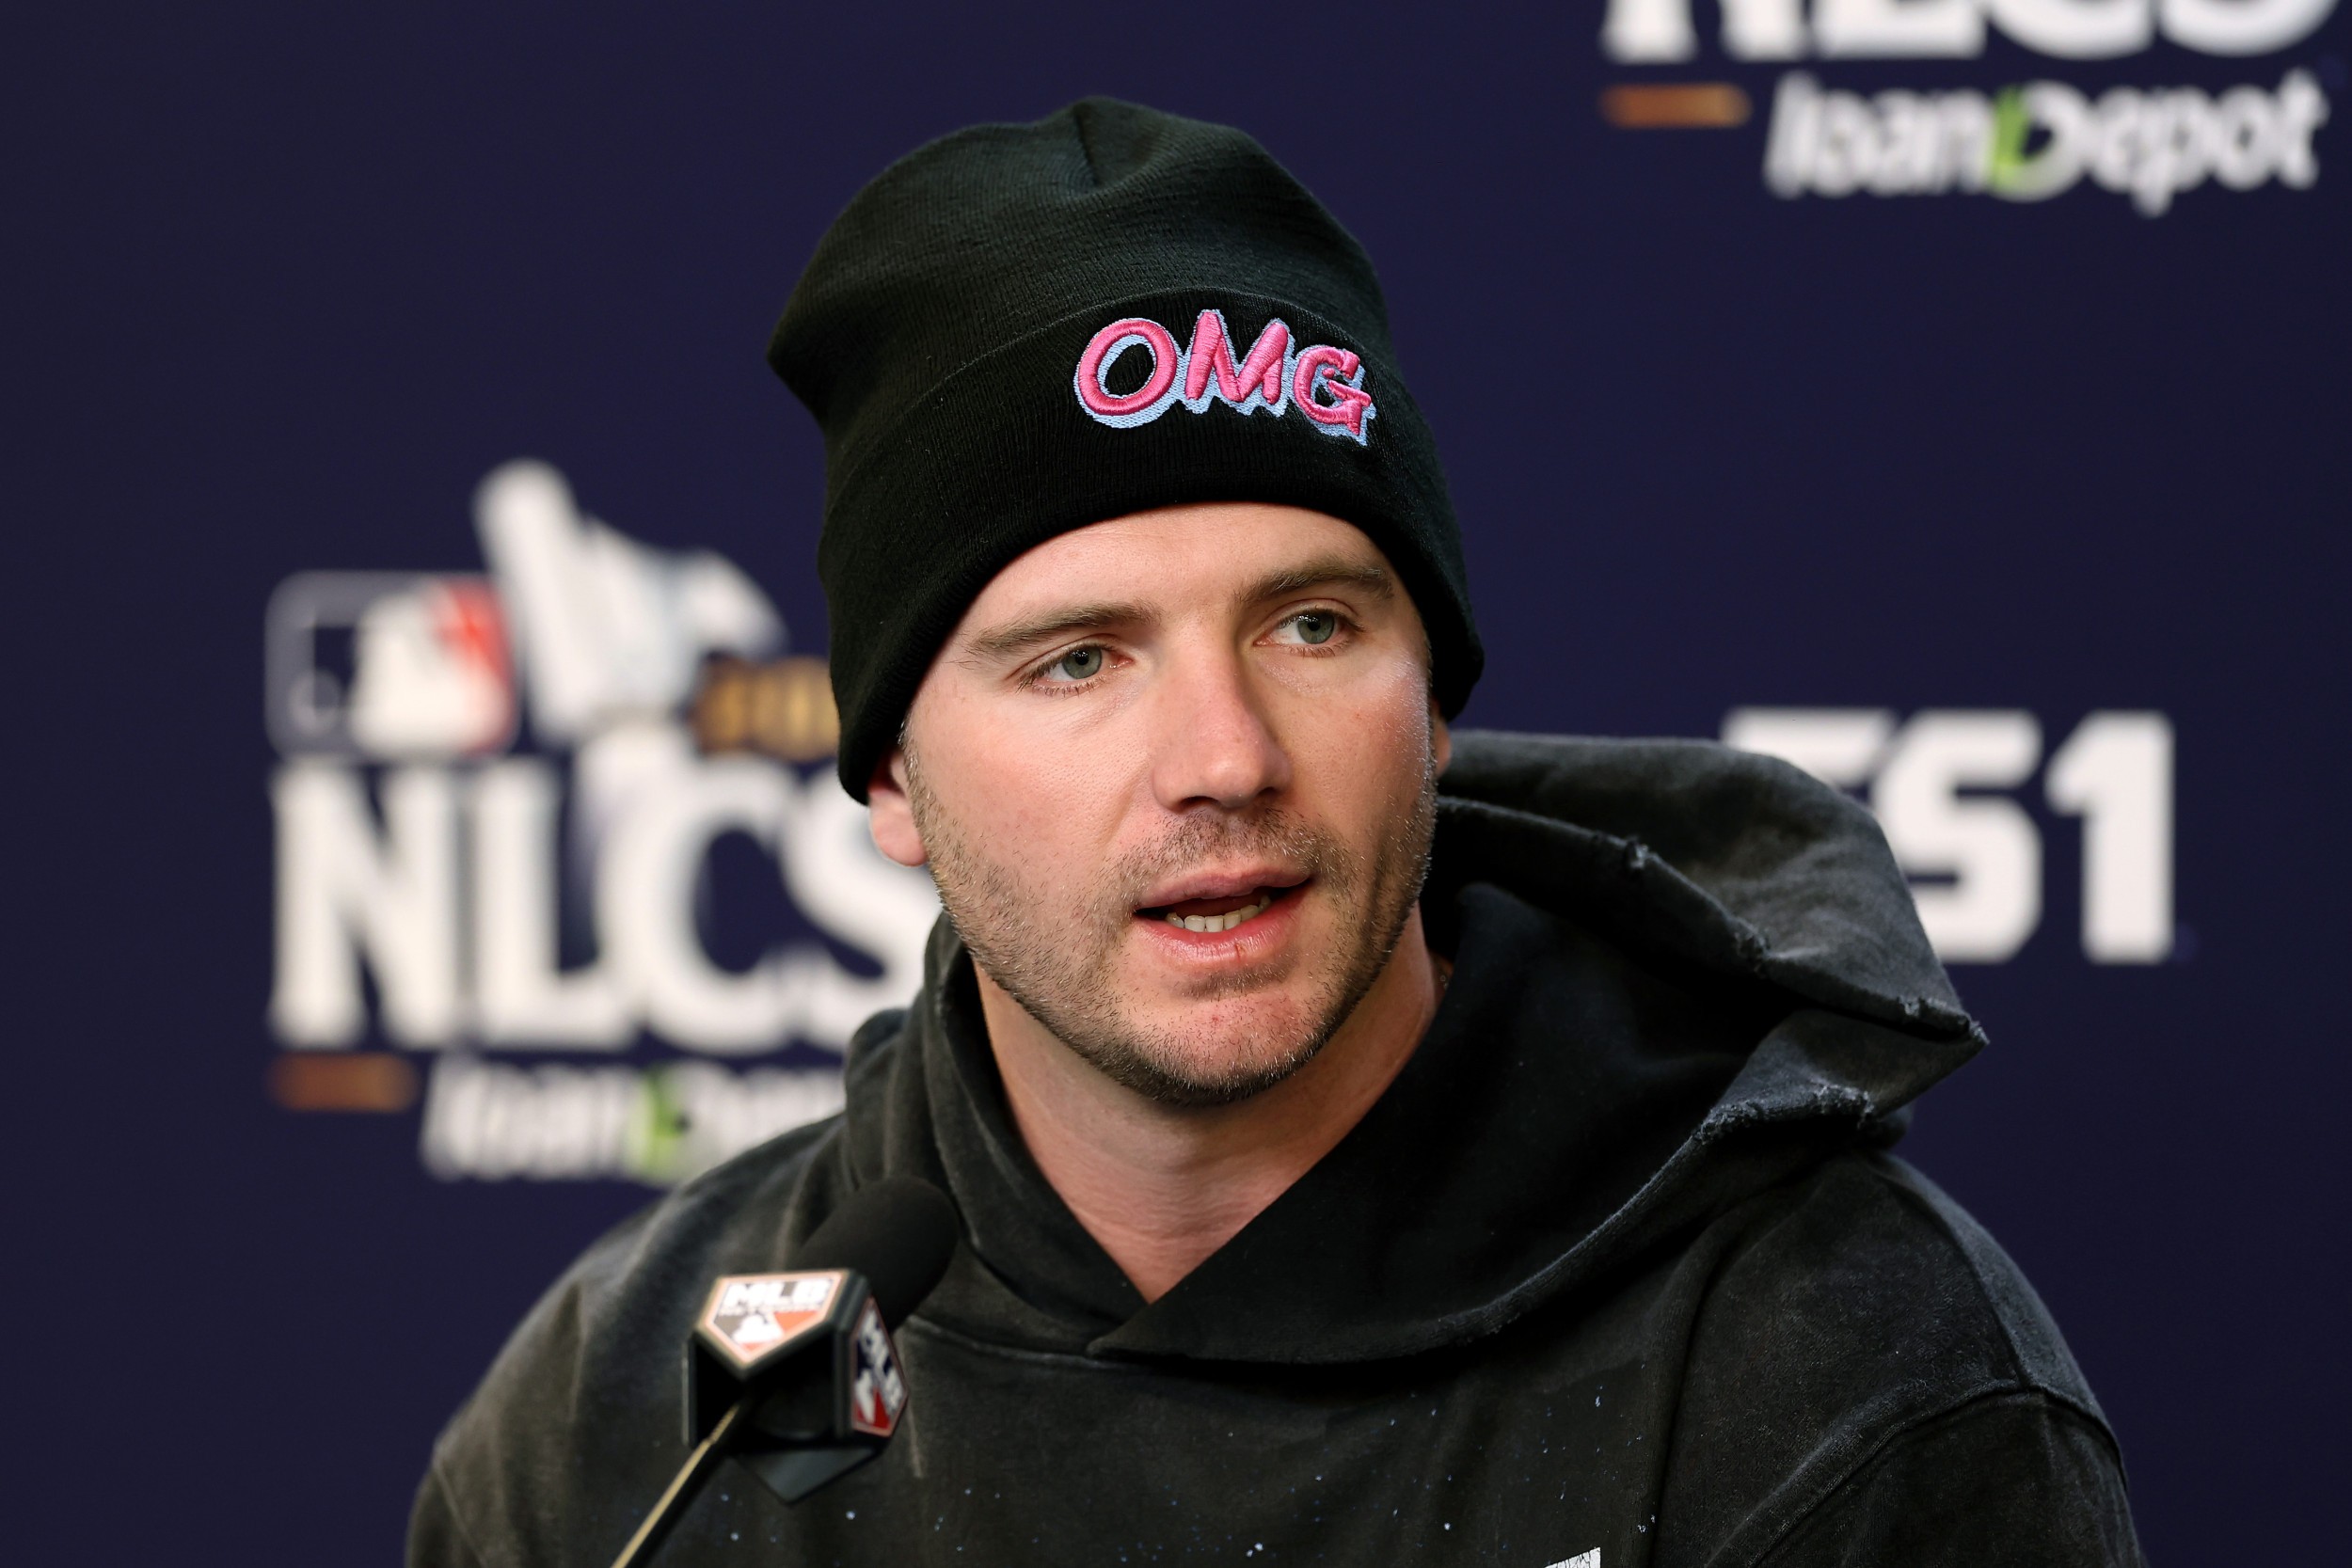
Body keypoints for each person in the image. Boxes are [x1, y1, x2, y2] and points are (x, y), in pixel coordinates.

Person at [408, 99, 2144, 1566]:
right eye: (1079, 660)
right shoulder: (639, 1413)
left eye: (1312, 625)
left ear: (1435, 703)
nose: (1224, 756)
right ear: (889, 785)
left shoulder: (1830, 1366)